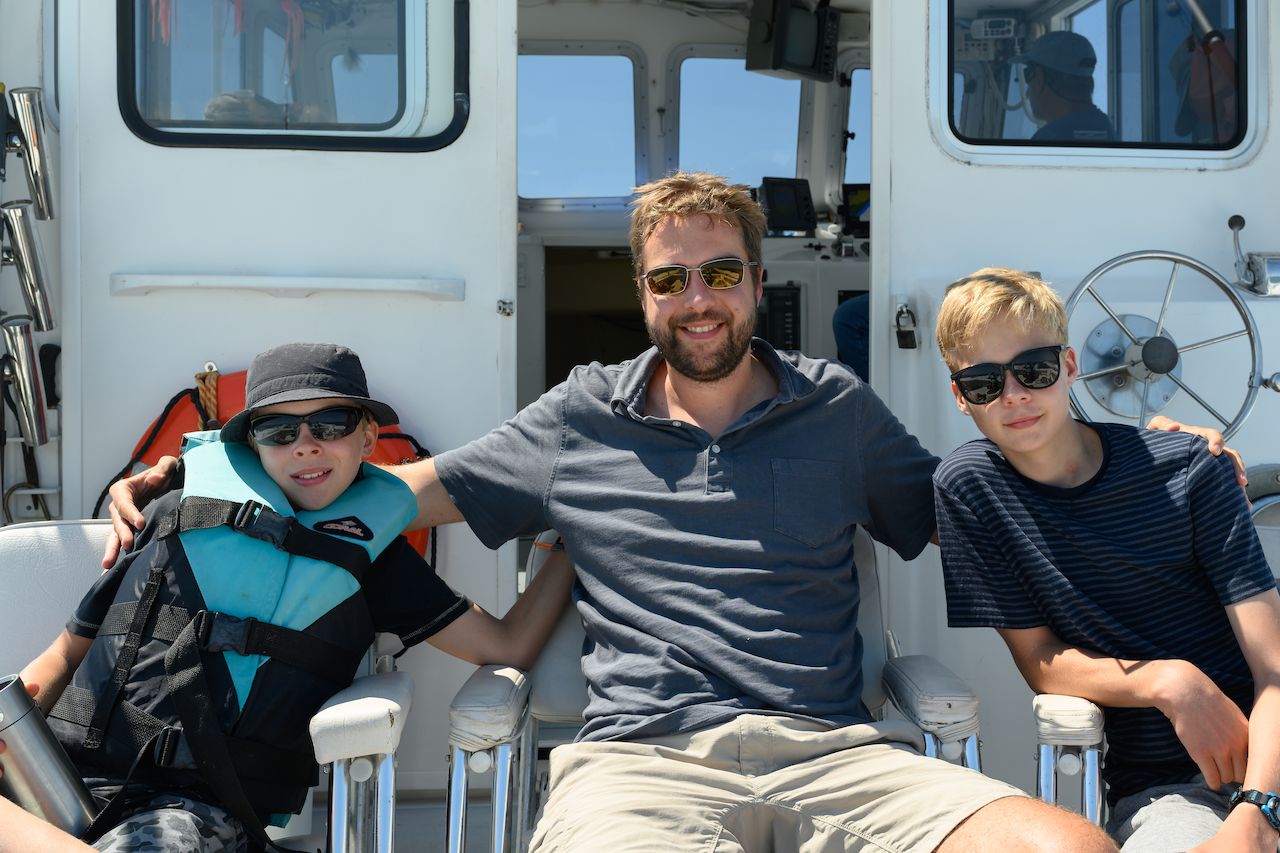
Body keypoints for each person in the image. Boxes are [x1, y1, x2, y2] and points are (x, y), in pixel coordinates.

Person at [107, 175, 1241, 852]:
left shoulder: (835, 409)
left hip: (835, 750)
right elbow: (394, 486)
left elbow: (974, 500)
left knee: (1063, 843)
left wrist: (1137, 454)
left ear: (756, 282)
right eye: (669, 279)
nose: (695, 300)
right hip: (639, 761)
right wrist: (193, 477)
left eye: (718, 274)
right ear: (642, 290)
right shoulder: (577, 415)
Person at [0, 342, 574, 853]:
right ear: (251, 444)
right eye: (279, 431)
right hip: (51, 777)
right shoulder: (168, 512)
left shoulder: (373, 560)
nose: (305, 446)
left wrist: (568, 546)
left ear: (368, 436)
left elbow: (508, 643)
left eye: (330, 424)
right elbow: (64, 656)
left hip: (185, 813)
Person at [932, 268, 1280, 852]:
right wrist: (1171, 681)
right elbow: (1040, 660)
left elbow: (1274, 670)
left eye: (1034, 370)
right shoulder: (968, 488)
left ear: (1069, 366)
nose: (1013, 395)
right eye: (984, 383)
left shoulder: (1192, 467)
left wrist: (1259, 813)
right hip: (1172, 787)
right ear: (961, 398)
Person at [1015, 31, 1116, 143]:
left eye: (1028, 74)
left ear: (1039, 77)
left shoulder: (1049, 137)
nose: (1027, 92)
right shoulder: (1108, 130)